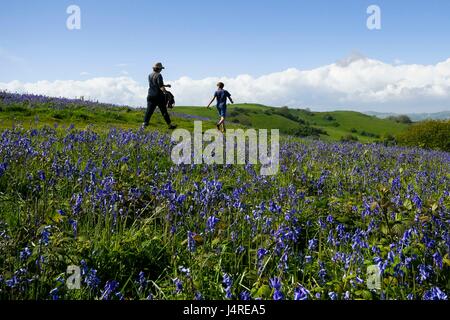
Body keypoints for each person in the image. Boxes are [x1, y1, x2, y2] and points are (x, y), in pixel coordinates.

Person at [143, 62, 177, 129]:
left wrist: (166, 85)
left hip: (150, 95)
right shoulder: (159, 75)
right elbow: (160, 86)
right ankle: (170, 125)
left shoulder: (150, 75)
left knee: (149, 111)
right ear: (159, 69)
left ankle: (144, 125)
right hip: (158, 96)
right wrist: (166, 92)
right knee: (164, 111)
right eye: (161, 69)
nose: (161, 70)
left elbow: (155, 84)